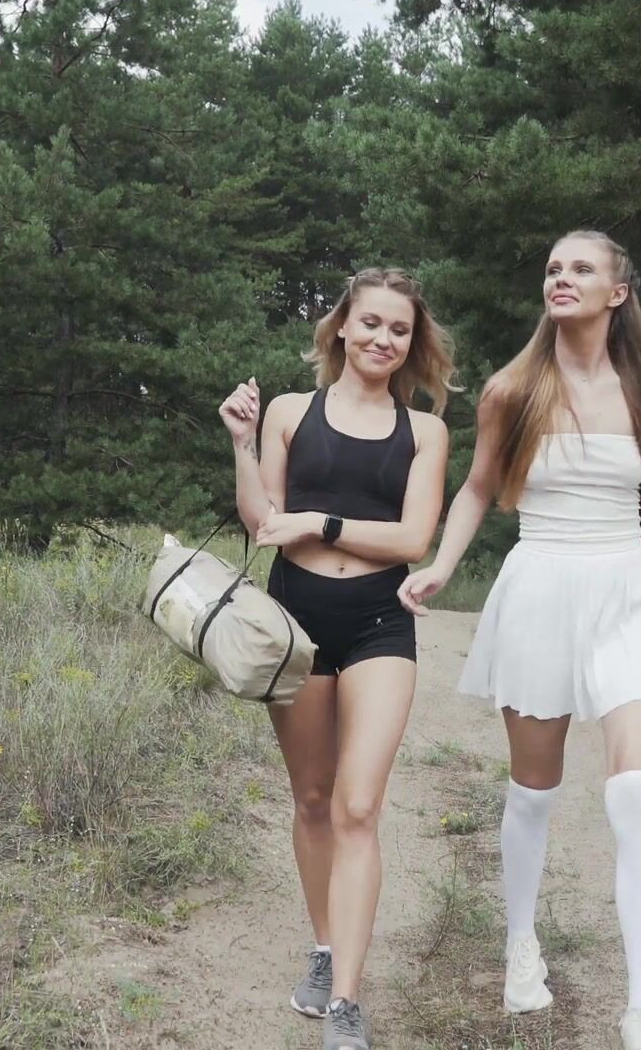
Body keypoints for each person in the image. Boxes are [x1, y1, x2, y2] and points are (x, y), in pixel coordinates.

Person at [397, 231, 641, 1050]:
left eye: (582, 269)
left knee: (636, 790)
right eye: (555, 268)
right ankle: (520, 942)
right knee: (534, 789)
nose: (562, 278)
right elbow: (477, 489)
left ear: (617, 293)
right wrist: (439, 567)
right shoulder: (512, 389)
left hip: (627, 591)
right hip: (539, 587)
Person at [218, 268, 457, 1050]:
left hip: (381, 622)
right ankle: (324, 950)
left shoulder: (424, 433)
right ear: (343, 327)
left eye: (399, 330)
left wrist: (319, 522)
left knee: (358, 806)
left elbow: (412, 538)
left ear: (413, 344)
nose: (384, 339)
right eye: (372, 323)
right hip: (296, 620)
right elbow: (262, 521)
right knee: (314, 798)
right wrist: (242, 444)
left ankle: (347, 1002)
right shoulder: (292, 411)